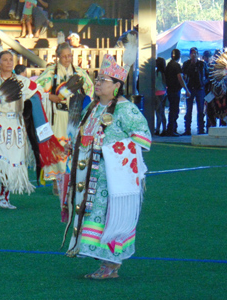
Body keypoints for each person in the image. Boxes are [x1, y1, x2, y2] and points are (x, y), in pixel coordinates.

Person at [62, 54, 151, 279]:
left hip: (113, 178)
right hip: (89, 177)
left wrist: (110, 150)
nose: (98, 83)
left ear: (117, 86)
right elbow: (81, 135)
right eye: (98, 79)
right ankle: (105, 263)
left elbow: (143, 138)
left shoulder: (125, 109)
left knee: (111, 217)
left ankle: (111, 264)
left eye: (104, 80)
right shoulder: (92, 107)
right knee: (94, 217)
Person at [0, 50, 64, 209]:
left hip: (16, 126)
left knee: (13, 161)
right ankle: (2, 196)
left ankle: (5, 194)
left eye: (11, 59)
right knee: (0, 160)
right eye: (5, 60)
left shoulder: (21, 82)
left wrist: (54, 97)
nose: (9, 62)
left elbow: (38, 92)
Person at [36, 42, 94, 194]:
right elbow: (35, 89)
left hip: (75, 114)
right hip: (58, 115)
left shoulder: (79, 72)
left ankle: (71, 179)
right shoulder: (51, 72)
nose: (68, 59)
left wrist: (85, 104)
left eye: (70, 56)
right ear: (58, 57)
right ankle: (57, 181)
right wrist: (50, 96)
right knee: (58, 146)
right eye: (64, 56)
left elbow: (90, 89)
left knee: (74, 146)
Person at [182, 47, 209, 135]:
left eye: (195, 53)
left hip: (200, 89)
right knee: (188, 110)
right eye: (192, 53)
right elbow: (183, 76)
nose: (193, 55)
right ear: (190, 54)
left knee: (200, 110)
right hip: (190, 89)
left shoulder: (202, 64)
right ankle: (187, 129)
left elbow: (208, 76)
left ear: (198, 54)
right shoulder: (186, 64)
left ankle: (200, 129)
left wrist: (203, 83)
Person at [165, 49, 190, 136]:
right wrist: (186, 89)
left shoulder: (168, 65)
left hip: (170, 90)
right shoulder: (176, 66)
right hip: (175, 90)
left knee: (172, 109)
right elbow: (180, 78)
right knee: (174, 110)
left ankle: (171, 128)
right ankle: (171, 129)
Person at [154, 57, 167, 136]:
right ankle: (163, 128)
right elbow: (164, 82)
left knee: (159, 112)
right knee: (161, 112)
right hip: (163, 93)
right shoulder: (163, 72)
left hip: (157, 93)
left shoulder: (157, 72)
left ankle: (159, 129)